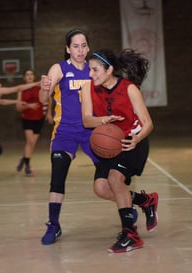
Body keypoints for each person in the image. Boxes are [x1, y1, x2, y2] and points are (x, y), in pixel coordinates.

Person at [39, 29, 155, 247]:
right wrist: (44, 89)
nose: (80, 50)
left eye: (84, 45)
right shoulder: (60, 68)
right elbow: (43, 97)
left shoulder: (96, 70)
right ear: (67, 49)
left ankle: (136, 203)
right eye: (75, 46)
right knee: (58, 173)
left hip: (96, 133)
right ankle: (53, 224)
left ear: (88, 48)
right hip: (66, 131)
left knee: (107, 183)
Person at [80, 48, 158, 253]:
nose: (91, 74)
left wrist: (136, 139)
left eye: (95, 70)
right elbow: (87, 120)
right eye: (90, 70)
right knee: (101, 188)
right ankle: (145, 201)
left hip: (133, 142)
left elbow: (148, 123)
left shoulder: (129, 89)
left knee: (115, 180)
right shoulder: (87, 89)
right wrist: (103, 120)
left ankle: (130, 235)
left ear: (109, 70)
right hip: (108, 144)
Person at [15, 68, 45, 177]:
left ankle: (24, 158)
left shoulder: (39, 87)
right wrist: (28, 106)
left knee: (32, 144)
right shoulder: (21, 89)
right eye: (27, 75)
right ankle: (27, 166)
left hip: (39, 118)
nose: (29, 76)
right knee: (30, 142)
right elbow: (18, 107)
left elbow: (49, 99)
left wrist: (49, 113)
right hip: (27, 119)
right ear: (24, 78)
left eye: (31, 74)